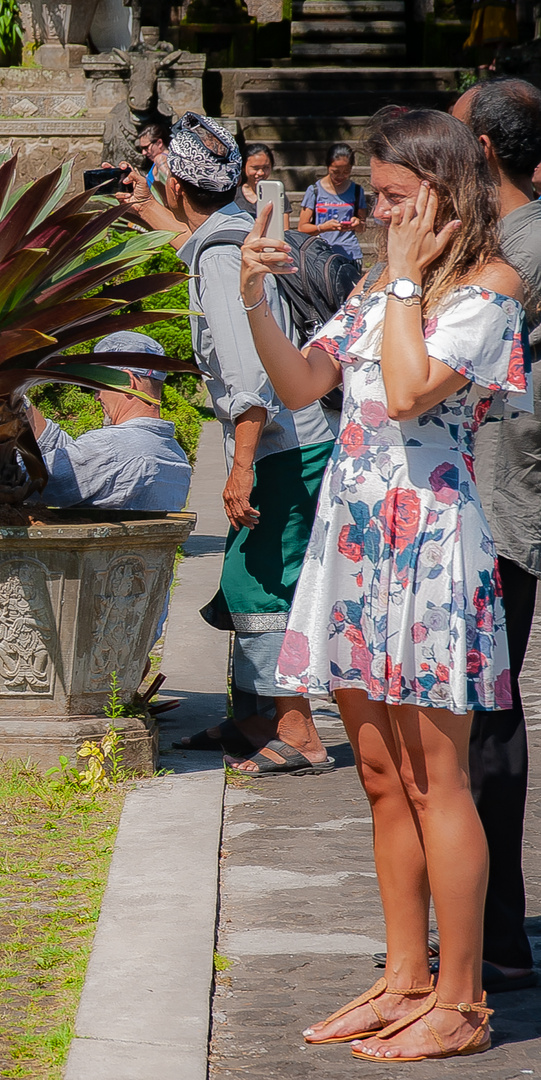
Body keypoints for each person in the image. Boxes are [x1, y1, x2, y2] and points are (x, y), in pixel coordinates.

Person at [241, 107, 529, 1062]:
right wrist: (255, 301)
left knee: (435, 775)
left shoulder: (489, 289)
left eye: (396, 196)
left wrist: (403, 276)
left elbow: (406, 393)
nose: (377, 210)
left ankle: (461, 996)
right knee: (377, 775)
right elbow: (299, 386)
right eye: (375, 195)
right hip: (356, 543)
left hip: (432, 550)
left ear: (447, 195)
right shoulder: (374, 288)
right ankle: (404, 976)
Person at [156, 113, 336, 777]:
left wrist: (237, 467)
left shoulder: (219, 254)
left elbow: (247, 377)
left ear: (175, 185)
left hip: (284, 447)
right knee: (242, 581)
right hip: (284, 441)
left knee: (263, 587)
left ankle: (299, 732)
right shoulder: (235, 235)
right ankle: (254, 718)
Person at [451, 75, 540, 996]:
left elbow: (448, 349)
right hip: (489, 495)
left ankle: (497, 938)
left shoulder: (528, 244)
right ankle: (492, 929)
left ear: (480, 150)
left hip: (502, 503)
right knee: (482, 707)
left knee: (488, 710)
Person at [27, 332, 192, 512]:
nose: (97, 397)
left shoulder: (109, 447)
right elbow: (78, 464)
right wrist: (21, 403)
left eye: (99, 385)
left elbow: (24, 481)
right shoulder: (175, 455)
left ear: (127, 382)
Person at [298, 142, 368, 262]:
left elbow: (362, 227)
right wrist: (323, 227)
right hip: (321, 253)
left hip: (350, 254)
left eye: (346, 172)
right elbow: (302, 227)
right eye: (335, 171)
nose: (340, 176)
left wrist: (357, 224)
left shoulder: (356, 190)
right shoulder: (314, 190)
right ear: (328, 166)